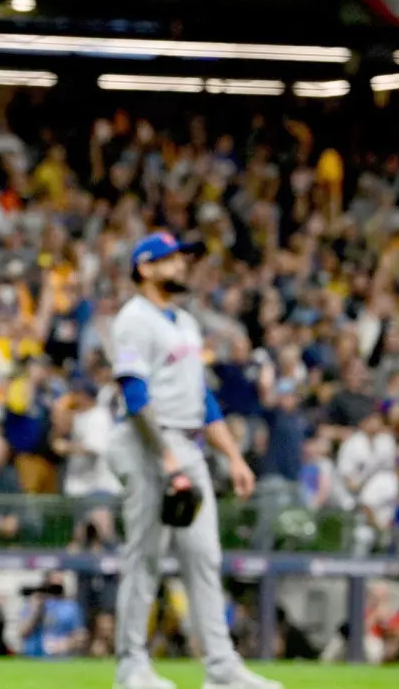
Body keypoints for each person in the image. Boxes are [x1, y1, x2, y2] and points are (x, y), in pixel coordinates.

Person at [107, 232, 281, 689]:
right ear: (144, 268)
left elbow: (202, 399)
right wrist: (166, 458)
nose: (181, 266)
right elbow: (134, 393)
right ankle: (132, 667)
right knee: (144, 558)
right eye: (169, 259)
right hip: (149, 443)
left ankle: (222, 669)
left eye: (183, 259)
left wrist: (234, 458)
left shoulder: (184, 322)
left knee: (204, 558)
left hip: (189, 445)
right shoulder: (133, 320)